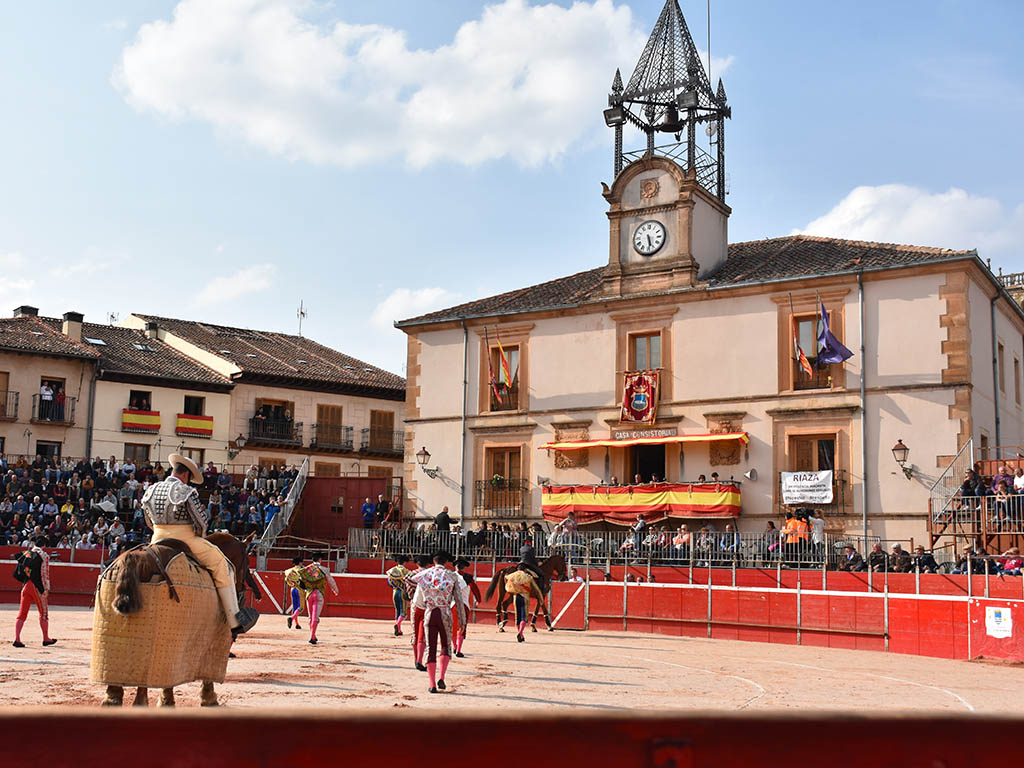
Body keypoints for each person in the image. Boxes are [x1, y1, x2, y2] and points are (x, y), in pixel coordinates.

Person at [141, 453, 258, 637]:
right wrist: (200, 537)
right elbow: (202, 522)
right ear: (186, 475)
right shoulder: (187, 492)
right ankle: (235, 622)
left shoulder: (151, 489)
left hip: (156, 539)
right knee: (224, 566)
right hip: (185, 540)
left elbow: (147, 520)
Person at [408, 551, 458, 693]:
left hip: (429, 612)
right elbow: (458, 601)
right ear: (446, 562)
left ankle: (432, 684)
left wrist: (415, 598)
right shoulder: (452, 575)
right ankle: (441, 677)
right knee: (445, 646)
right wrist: (463, 620)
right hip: (445, 613)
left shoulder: (424, 574)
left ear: (434, 561)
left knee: (431, 648)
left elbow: (410, 579)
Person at [12, 535, 56, 647]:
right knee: (43, 614)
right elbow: (44, 574)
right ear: (44, 545)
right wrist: (44, 589)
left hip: (26, 586)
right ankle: (46, 639)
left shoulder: (26, 554)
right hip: (37, 587)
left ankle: (17, 639)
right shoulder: (43, 555)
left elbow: (19, 571)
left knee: (22, 614)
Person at [297, 552, 338, 645]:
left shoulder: (306, 570)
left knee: (311, 617)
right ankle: (312, 636)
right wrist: (335, 590)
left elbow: (300, 581)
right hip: (319, 594)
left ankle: (313, 635)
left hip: (309, 594)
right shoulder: (324, 570)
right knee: (315, 617)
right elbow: (331, 581)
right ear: (320, 560)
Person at [453, 557, 480, 657]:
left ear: (456, 567)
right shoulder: (468, 578)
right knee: (462, 627)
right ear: (464, 567)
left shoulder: (451, 576)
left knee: (452, 627)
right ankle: (458, 650)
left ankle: (455, 647)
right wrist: (478, 599)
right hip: (464, 604)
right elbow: (475, 589)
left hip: (451, 604)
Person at [504, 564, 539, 643]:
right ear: (525, 569)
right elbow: (536, 577)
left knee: (518, 617)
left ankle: (521, 634)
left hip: (516, 597)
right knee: (524, 617)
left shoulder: (512, 576)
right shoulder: (527, 576)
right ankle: (520, 632)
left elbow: (506, 577)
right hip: (525, 597)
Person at [386, 554, 414, 637]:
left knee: (397, 610)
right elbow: (411, 580)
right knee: (403, 611)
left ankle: (399, 629)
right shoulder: (406, 571)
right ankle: (398, 625)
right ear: (405, 562)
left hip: (395, 592)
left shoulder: (392, 570)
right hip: (402, 592)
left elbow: (389, 582)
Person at [283, 555, 307, 630]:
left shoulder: (289, 571)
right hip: (299, 590)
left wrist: (292, 584)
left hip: (293, 589)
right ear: (300, 563)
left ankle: (297, 624)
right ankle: (292, 618)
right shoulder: (302, 570)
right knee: (301, 607)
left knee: (295, 606)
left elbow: (286, 580)